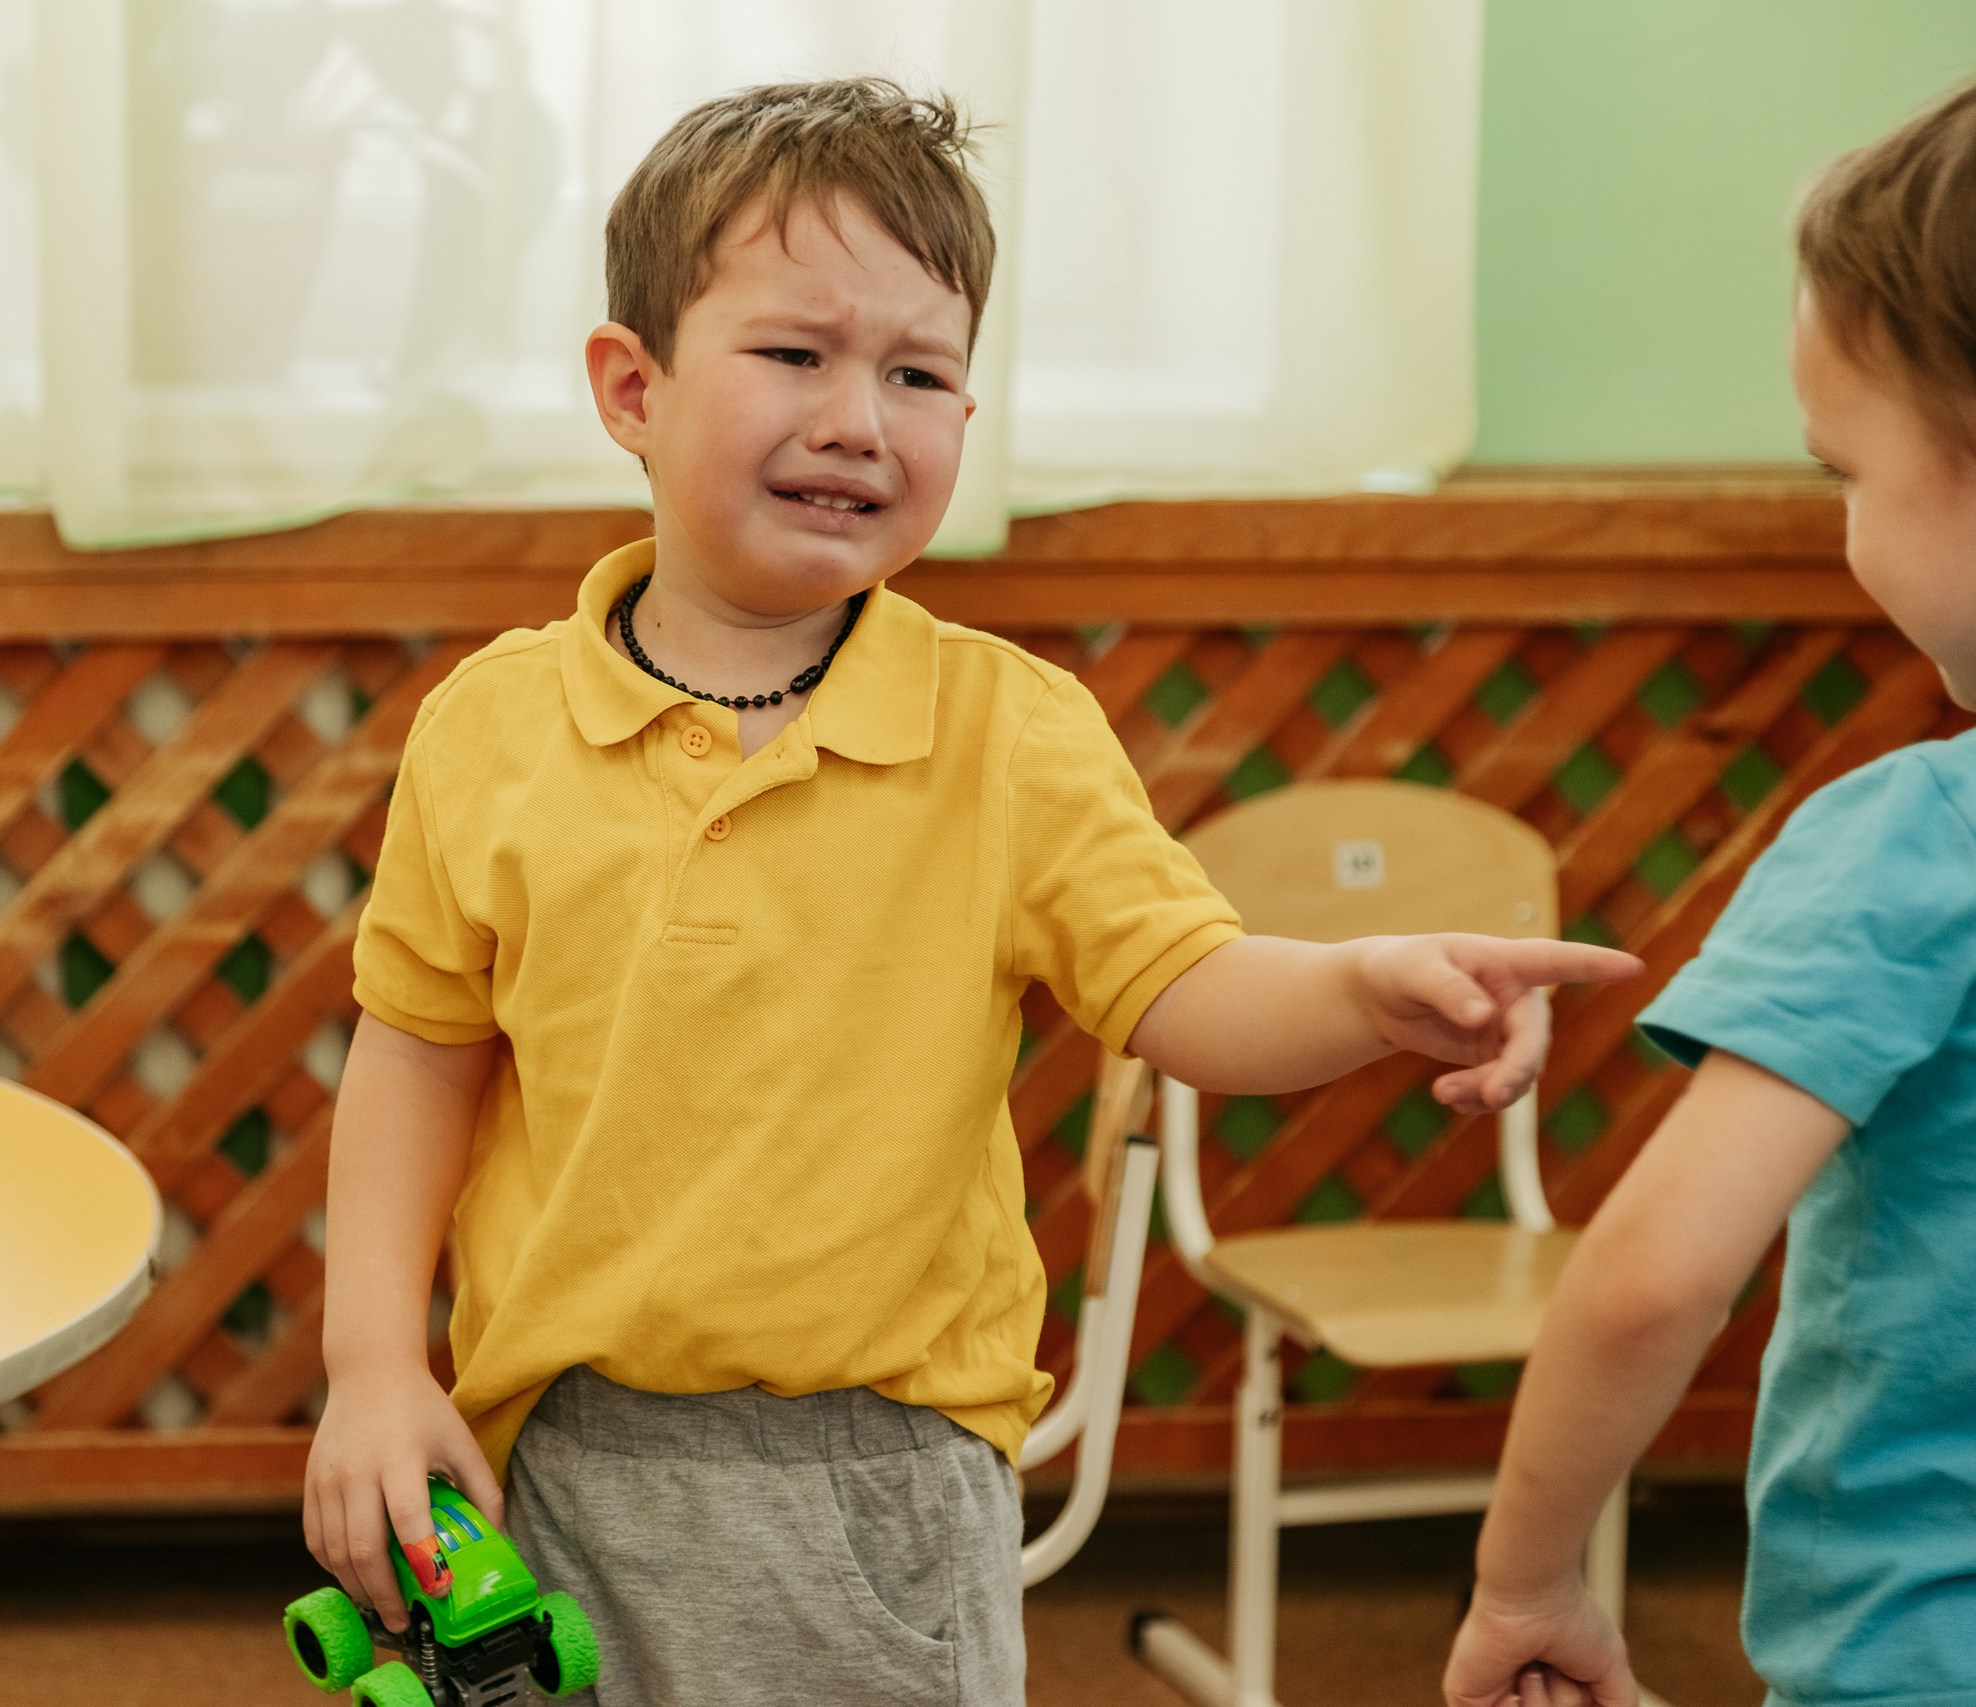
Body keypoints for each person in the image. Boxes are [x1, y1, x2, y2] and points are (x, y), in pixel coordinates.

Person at [304, 77, 1638, 1707]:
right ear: (629, 386)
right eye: (796, 354)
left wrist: (1357, 991)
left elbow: (1185, 990)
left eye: (919, 373)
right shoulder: (489, 728)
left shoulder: (1009, 731)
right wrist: (371, 1361)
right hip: (560, 1460)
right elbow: (418, 1050)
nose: (861, 418)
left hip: (884, 1486)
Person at [1445, 80, 1976, 1707]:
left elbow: (1660, 1274)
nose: (1846, 533)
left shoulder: (1914, 843)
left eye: (1845, 474)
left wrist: (1527, 1577)